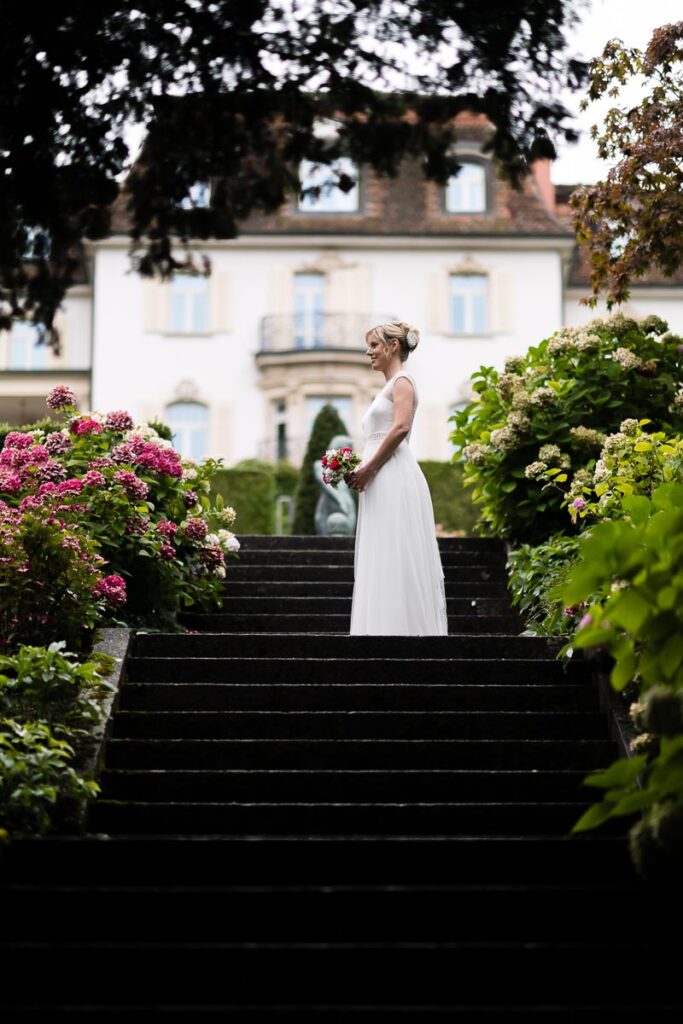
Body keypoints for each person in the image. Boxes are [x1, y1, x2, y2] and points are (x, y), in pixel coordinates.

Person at [345, 321, 448, 635]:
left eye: (374, 345)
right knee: (381, 549)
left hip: (391, 473)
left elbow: (401, 427)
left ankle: (400, 631)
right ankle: (380, 628)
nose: (369, 352)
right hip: (379, 475)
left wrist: (369, 469)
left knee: (394, 549)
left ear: (392, 347)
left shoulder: (403, 381)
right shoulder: (387, 387)